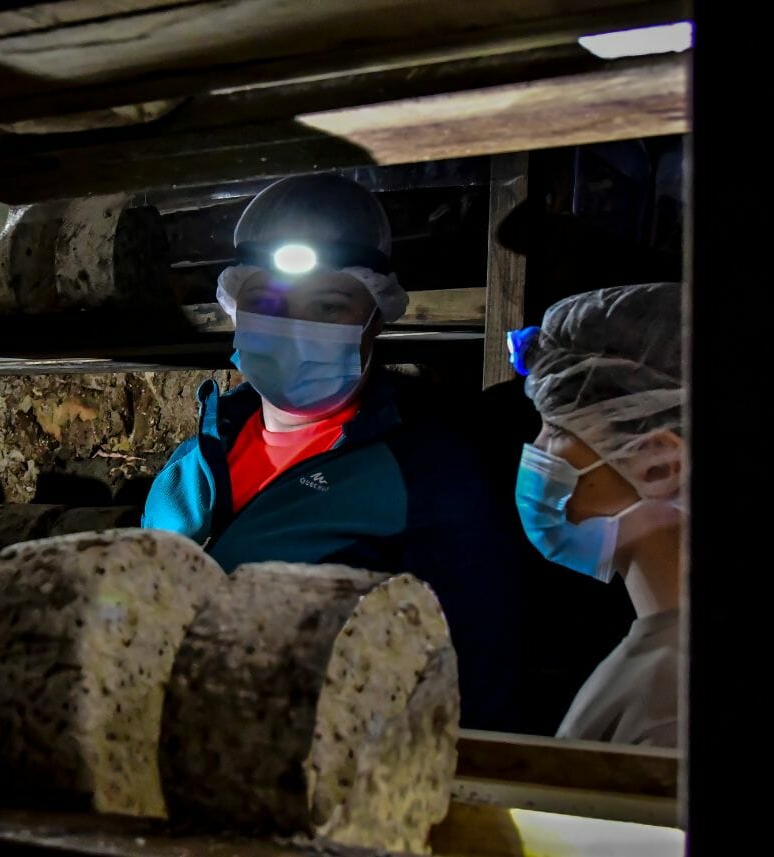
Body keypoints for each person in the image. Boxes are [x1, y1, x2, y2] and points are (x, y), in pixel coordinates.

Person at [143, 173, 524, 731]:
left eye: (328, 305)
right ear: (235, 309)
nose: (293, 325)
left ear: (376, 317)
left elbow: (477, 685)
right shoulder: (198, 454)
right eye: (267, 300)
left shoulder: (431, 475)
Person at [507, 281, 684, 746]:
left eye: (553, 430)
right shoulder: (657, 652)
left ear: (659, 464)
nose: (536, 452)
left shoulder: (671, 709)